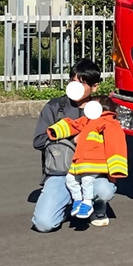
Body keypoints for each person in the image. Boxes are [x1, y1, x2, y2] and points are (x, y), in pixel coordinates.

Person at [31, 59, 117, 231]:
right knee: (43, 224)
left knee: (105, 190)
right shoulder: (56, 107)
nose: (75, 86)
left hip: (91, 174)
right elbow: (39, 140)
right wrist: (71, 139)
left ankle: (97, 206)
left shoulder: (103, 110)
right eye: (73, 81)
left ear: (95, 87)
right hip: (60, 173)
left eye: (82, 83)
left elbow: (114, 142)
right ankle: (67, 206)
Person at [47, 95, 128, 219]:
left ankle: (88, 202)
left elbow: (116, 143)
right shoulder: (87, 121)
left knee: (87, 180)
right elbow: (72, 124)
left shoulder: (109, 122)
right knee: (70, 179)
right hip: (81, 163)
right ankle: (78, 201)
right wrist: (56, 130)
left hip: (95, 164)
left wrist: (117, 168)